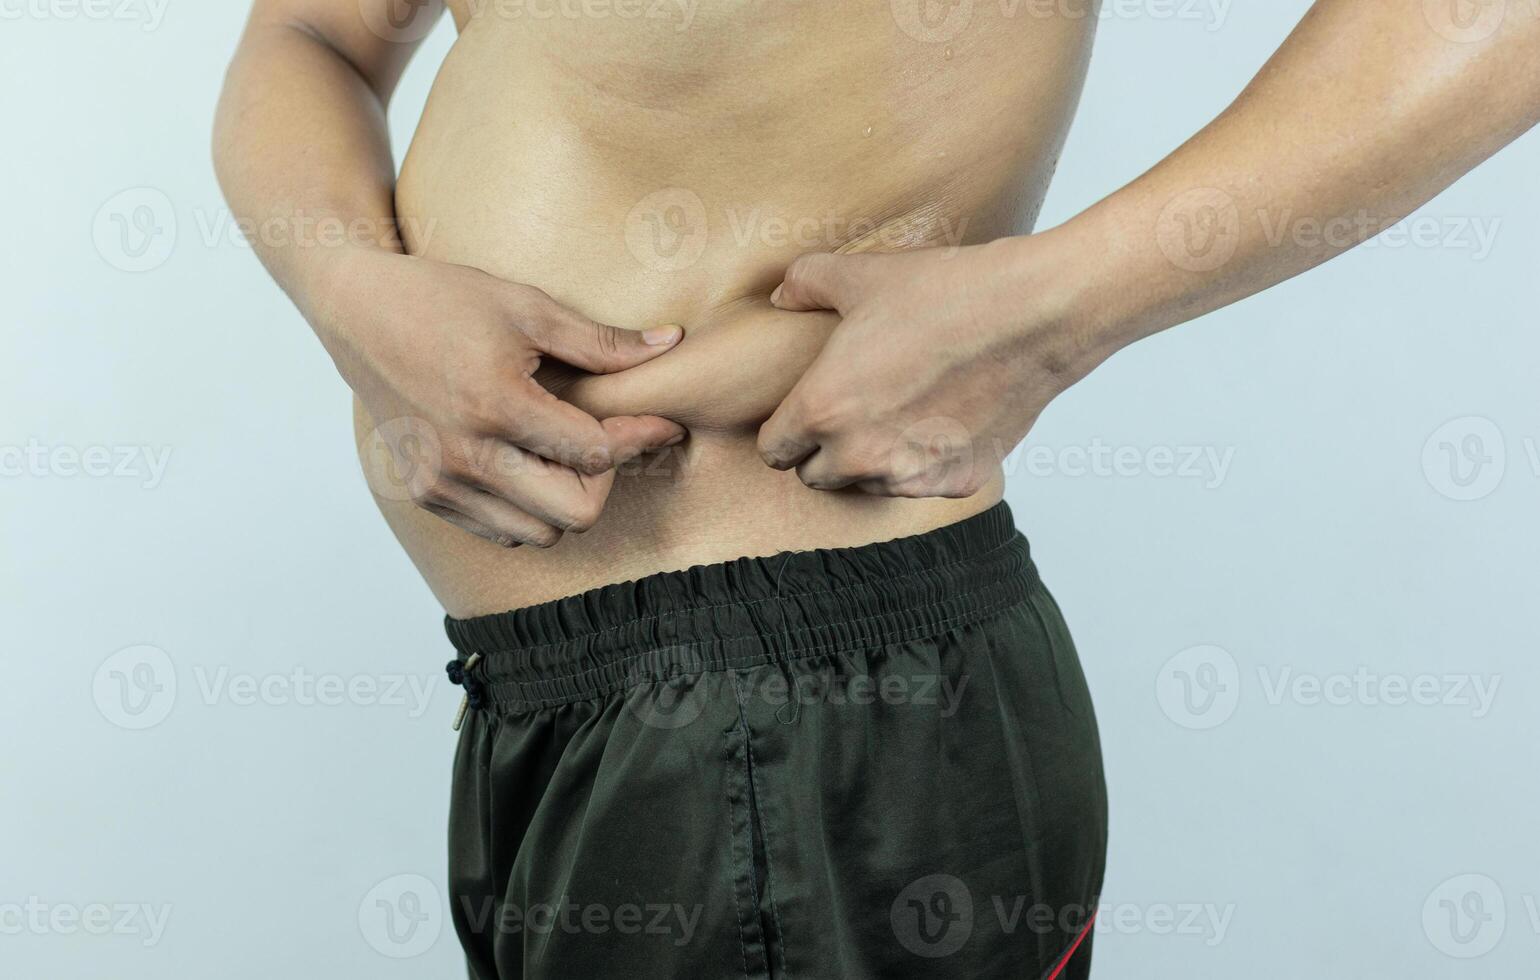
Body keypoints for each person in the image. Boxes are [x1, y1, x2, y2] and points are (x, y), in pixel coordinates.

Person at [213, 2, 1540, 976]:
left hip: (785, 732)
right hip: (580, 709)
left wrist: (1058, 311)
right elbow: (313, 39)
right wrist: (352, 293)